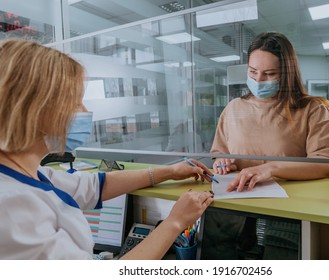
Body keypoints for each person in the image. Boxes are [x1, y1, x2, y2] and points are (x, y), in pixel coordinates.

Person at [0, 39, 214, 260]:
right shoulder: (13, 208)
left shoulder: (30, 173)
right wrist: (175, 222)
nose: (85, 111)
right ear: (34, 109)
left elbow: (96, 186)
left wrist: (168, 172)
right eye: (75, 103)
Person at [204, 32, 329, 260]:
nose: (258, 80)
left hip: (287, 215)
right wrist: (221, 162)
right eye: (253, 72)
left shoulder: (313, 110)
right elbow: (219, 153)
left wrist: (271, 168)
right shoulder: (234, 108)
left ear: (287, 74)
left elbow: (327, 165)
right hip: (236, 213)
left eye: (269, 74)